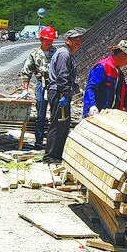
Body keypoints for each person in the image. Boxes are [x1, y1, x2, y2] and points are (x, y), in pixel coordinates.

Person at [42, 27, 84, 164]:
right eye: (75, 39)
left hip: (62, 90)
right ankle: (50, 156)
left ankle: (58, 154)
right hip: (59, 91)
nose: (78, 41)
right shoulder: (64, 54)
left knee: (64, 123)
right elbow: (62, 76)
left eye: (79, 39)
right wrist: (64, 94)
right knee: (58, 123)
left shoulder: (67, 54)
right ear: (67, 41)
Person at [19, 25, 57, 149]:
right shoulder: (34, 54)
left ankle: (53, 142)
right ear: (41, 40)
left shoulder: (57, 53)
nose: (49, 43)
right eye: (46, 40)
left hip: (55, 84)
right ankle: (39, 141)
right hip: (42, 84)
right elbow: (26, 72)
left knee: (55, 114)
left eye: (51, 40)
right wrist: (25, 89)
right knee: (41, 113)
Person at [83, 40, 127, 117]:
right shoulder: (102, 67)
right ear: (122, 54)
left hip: (109, 116)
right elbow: (90, 88)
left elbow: (126, 97)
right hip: (95, 114)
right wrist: (92, 106)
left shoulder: (119, 74)